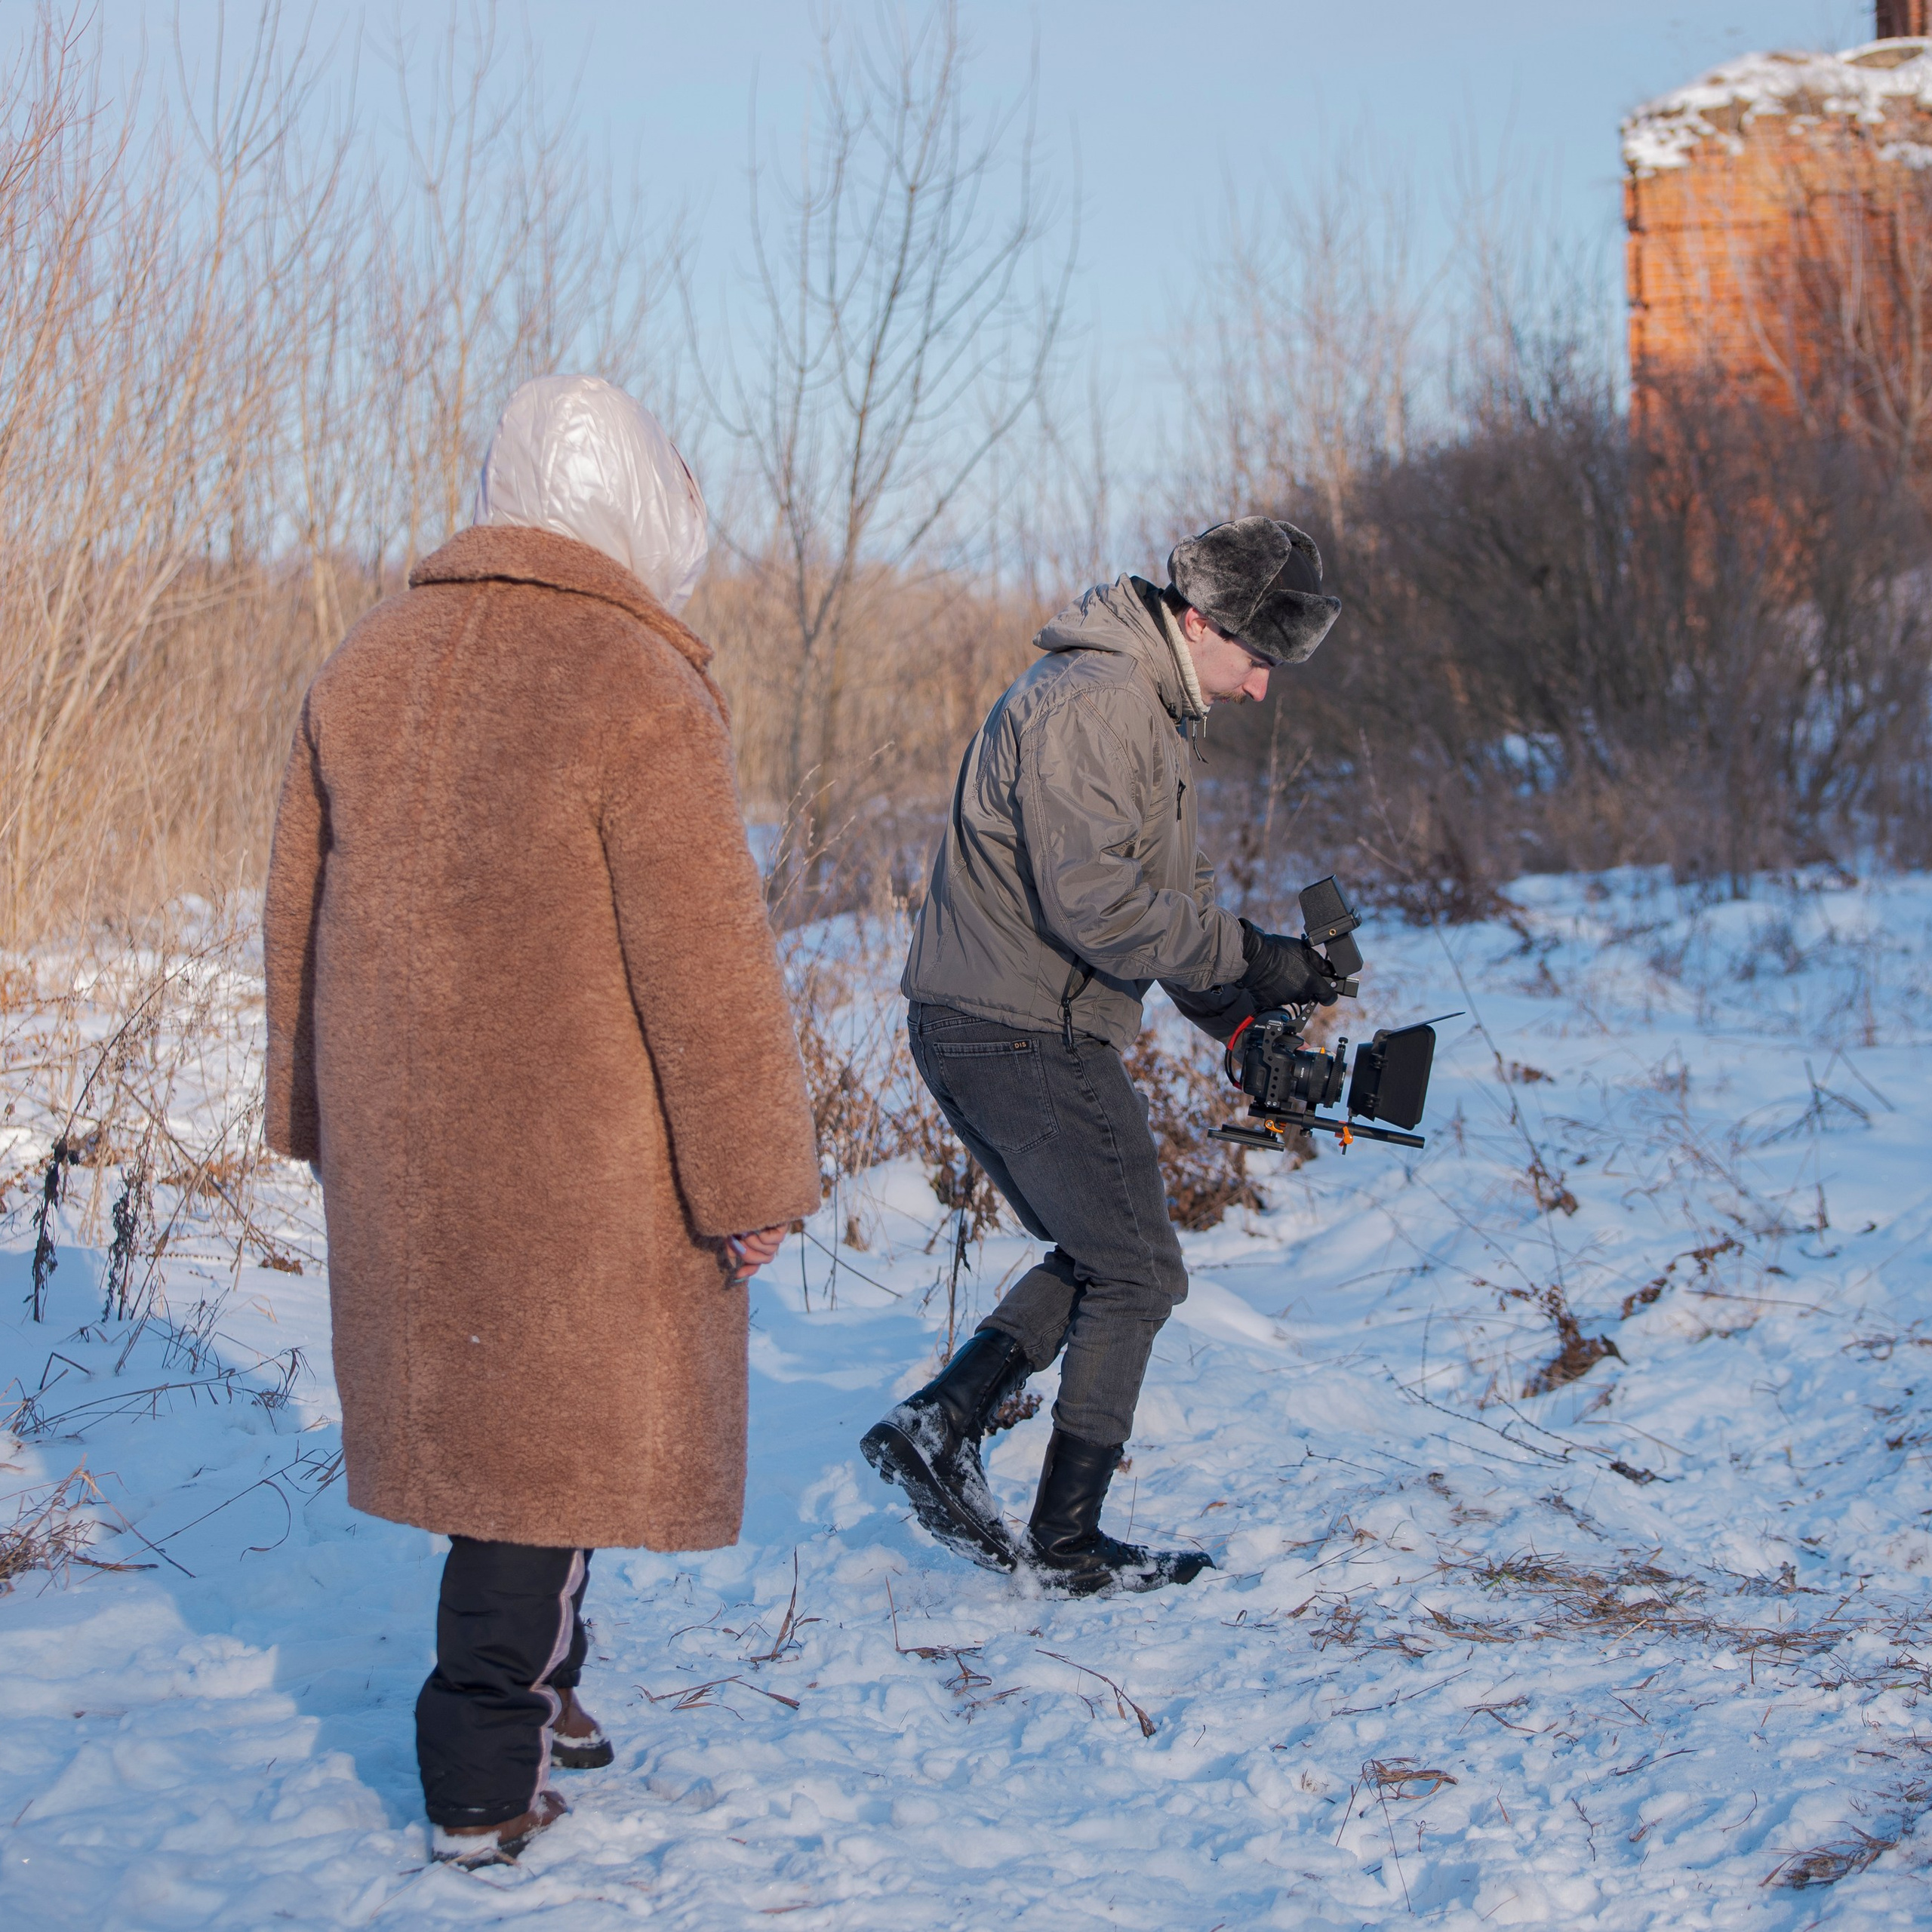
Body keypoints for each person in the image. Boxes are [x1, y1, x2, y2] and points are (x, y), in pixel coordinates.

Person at [261, 376, 821, 1868]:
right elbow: (703, 964)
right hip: (580, 1151)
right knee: (533, 1457)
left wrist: (316, 1118)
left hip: (420, 1146)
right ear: (635, 504)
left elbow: (293, 921)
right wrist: (751, 1175)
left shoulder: (362, 664)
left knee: (522, 1432)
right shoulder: (633, 680)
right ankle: (478, 1775)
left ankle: (547, 1694)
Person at [863, 518, 1344, 1595]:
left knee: (1109, 1251)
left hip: (1025, 1024)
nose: (1262, 689)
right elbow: (1102, 909)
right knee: (1135, 1266)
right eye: (1258, 660)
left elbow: (1165, 908)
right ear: (1199, 622)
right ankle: (1061, 1536)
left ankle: (939, 1428)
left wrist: (1242, 1011)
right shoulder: (1093, 704)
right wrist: (1252, 956)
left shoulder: (1149, 712)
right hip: (1014, 1029)